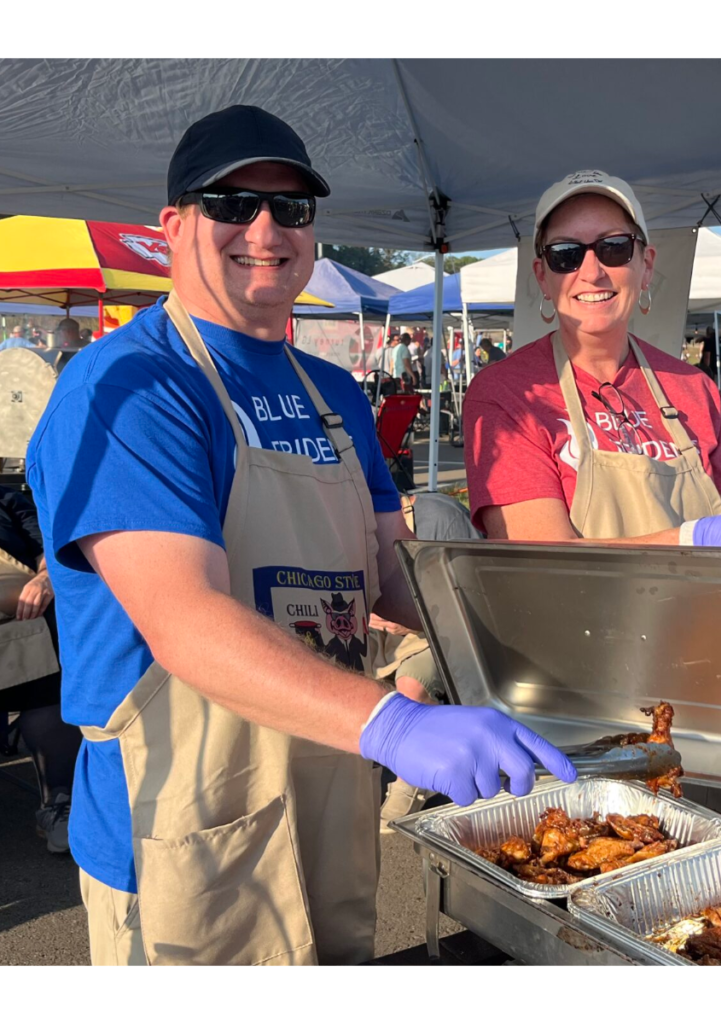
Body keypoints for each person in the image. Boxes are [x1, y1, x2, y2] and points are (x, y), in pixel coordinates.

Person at [27, 105, 574, 968]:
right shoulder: (131, 386)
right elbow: (185, 622)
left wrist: (545, 644)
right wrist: (396, 728)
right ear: (173, 226)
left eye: (290, 208)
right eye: (231, 202)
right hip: (184, 823)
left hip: (327, 782)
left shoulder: (334, 391)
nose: (264, 229)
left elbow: (397, 577)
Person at [464, 170, 721, 580]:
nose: (591, 272)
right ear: (542, 277)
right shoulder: (508, 394)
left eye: (614, 247)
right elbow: (546, 567)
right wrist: (695, 540)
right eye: (566, 253)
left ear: (646, 265)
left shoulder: (694, 387)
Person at [372, 491, 482, 829]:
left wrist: (405, 619)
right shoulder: (355, 516)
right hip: (387, 632)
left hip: (441, 633)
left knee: (410, 687)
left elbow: (470, 599)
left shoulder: (439, 518)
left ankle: (411, 780)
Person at [0, 485, 82, 854]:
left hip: (20, 622)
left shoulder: (7, 500)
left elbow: (46, 547)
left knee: (48, 623)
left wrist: (45, 578)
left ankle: (58, 800)